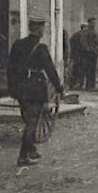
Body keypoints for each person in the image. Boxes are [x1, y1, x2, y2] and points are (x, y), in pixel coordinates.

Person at [6, 16, 63, 166]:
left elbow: (10, 67)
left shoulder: (17, 44)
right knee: (32, 122)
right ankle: (23, 156)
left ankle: (31, 149)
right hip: (34, 88)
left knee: (27, 118)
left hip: (20, 88)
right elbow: (50, 70)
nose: (43, 31)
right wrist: (58, 88)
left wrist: (12, 88)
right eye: (43, 28)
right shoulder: (41, 48)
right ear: (39, 30)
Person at [81, 17, 98, 91]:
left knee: (93, 69)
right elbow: (83, 41)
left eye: (95, 23)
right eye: (93, 23)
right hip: (88, 53)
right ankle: (88, 86)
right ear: (89, 23)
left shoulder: (94, 31)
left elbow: (96, 41)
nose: (94, 24)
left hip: (94, 52)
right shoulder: (85, 31)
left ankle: (92, 86)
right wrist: (87, 48)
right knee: (88, 69)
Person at [67, 23, 86, 90]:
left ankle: (73, 85)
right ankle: (80, 85)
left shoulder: (74, 35)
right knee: (81, 71)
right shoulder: (83, 35)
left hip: (75, 55)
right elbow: (83, 45)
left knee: (75, 70)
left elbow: (71, 44)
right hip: (81, 55)